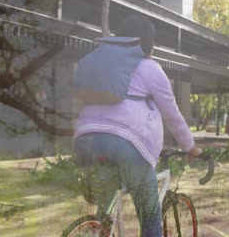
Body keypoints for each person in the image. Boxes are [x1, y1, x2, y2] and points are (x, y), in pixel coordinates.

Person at [73, 15, 202, 236]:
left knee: (107, 208)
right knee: (150, 215)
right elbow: (172, 114)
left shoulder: (100, 64)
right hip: (127, 145)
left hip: (86, 140)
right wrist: (190, 146)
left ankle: (98, 227)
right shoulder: (150, 67)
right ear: (149, 44)